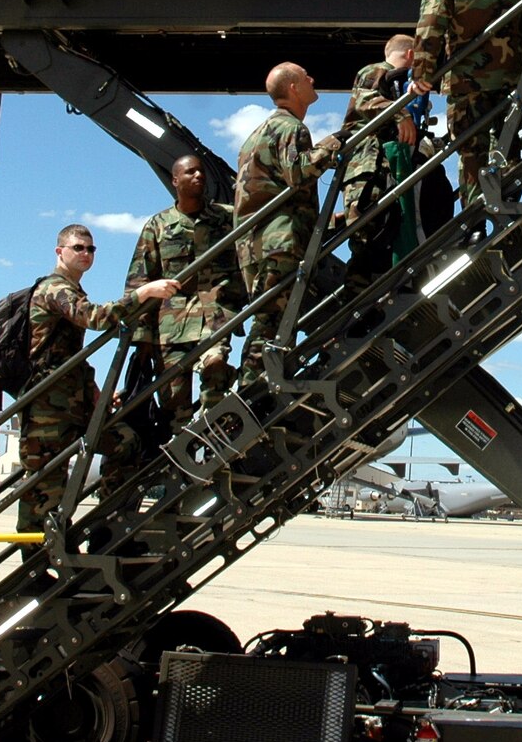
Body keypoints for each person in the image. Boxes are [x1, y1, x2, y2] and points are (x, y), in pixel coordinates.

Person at [18, 225, 179, 535]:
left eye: (91, 249)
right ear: (59, 252)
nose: (86, 254)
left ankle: (108, 525)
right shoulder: (54, 289)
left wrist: (94, 392)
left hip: (75, 403)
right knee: (44, 490)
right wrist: (142, 294)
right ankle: (35, 566)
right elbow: (92, 317)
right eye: (78, 247)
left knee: (126, 444)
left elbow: (69, 357)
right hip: (47, 410)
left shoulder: (73, 290)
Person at [411, 0, 522, 205]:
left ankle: (475, 220)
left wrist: (423, 73)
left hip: (466, 82)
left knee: (471, 151)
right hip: (509, 80)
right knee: (507, 139)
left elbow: (430, 25)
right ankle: (510, 197)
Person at [234, 63, 341, 370]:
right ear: (293, 87)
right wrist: (335, 143)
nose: (312, 79)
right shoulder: (290, 128)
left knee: (272, 321)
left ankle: (259, 393)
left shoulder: (258, 134)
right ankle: (255, 393)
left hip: (258, 243)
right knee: (273, 325)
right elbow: (299, 172)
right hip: (279, 244)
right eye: (305, 76)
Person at [126, 155, 245, 426]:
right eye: (190, 172)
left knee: (215, 367)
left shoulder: (225, 218)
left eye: (201, 172)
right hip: (171, 328)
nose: (198, 176)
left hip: (215, 316)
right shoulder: (158, 226)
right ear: (175, 180)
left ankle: (217, 439)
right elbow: (139, 281)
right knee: (173, 405)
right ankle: (180, 460)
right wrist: (142, 339)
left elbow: (265, 226)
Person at [339, 35, 421, 284]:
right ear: (410, 55)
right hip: (365, 165)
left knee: (383, 230)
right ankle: (357, 303)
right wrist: (401, 114)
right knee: (367, 235)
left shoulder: (395, 83)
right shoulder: (378, 71)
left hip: (379, 164)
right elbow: (365, 99)